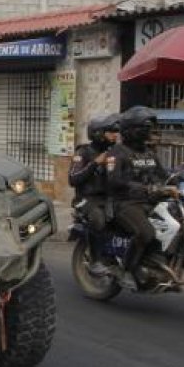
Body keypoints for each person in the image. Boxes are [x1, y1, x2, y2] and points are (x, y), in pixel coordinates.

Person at [106, 106, 175, 290]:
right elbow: (114, 181)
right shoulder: (117, 152)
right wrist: (143, 188)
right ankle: (126, 270)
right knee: (146, 233)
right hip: (125, 203)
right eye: (145, 128)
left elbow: (163, 175)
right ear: (133, 130)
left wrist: (183, 179)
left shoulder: (148, 152)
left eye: (149, 128)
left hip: (150, 201)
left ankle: (158, 264)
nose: (149, 132)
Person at [69, 114, 119, 275]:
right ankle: (95, 261)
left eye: (116, 132)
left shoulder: (115, 152)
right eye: (110, 132)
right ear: (98, 133)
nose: (115, 135)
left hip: (107, 198)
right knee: (98, 219)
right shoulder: (83, 152)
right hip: (86, 199)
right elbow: (73, 178)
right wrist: (95, 163)